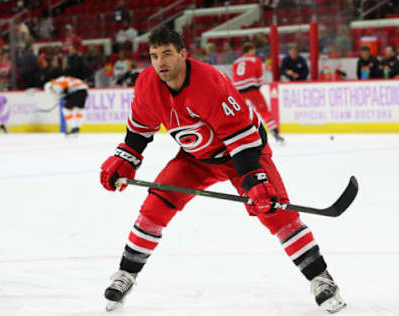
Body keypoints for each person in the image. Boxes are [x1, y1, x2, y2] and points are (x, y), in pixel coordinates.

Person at [99, 26, 346, 314]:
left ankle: (321, 278)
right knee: (155, 206)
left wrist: (254, 178)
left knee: (275, 212)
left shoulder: (208, 82)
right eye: (154, 55)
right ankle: (126, 274)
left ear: (183, 54)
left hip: (242, 153)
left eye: (167, 54)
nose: (160, 62)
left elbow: (240, 137)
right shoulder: (147, 83)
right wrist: (126, 158)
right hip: (195, 159)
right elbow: (140, 130)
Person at [232, 42, 284, 143]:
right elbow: (259, 75)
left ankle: (236, 135)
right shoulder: (256, 60)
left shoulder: (236, 61)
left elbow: (234, 76)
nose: (254, 51)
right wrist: (259, 85)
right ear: (250, 50)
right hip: (251, 88)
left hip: (238, 90)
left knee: (238, 113)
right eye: (253, 49)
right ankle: (274, 132)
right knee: (263, 110)